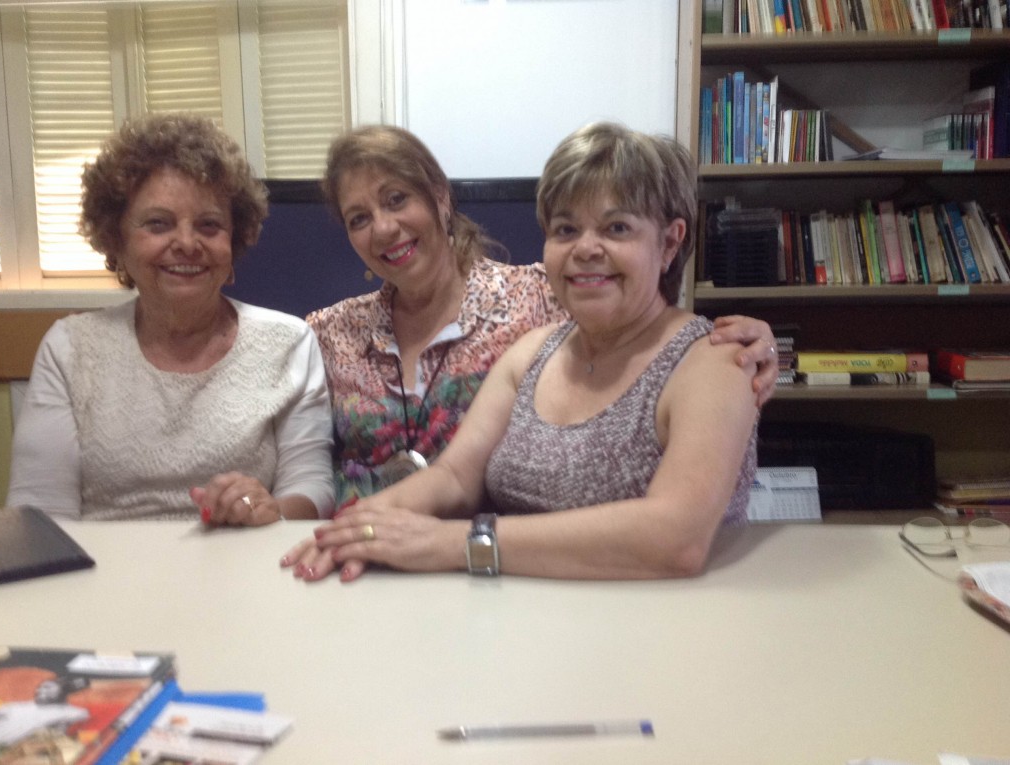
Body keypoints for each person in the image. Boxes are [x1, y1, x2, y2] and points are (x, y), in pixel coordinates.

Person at [282, 122, 759, 581]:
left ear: (670, 242)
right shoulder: (533, 352)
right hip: (513, 624)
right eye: (566, 230)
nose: (586, 249)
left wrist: (453, 543)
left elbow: (675, 538)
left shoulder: (713, 359)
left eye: (616, 228)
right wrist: (354, 531)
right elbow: (453, 477)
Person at [6, 113, 334, 524]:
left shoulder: (289, 343)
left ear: (234, 240)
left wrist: (269, 511)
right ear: (117, 240)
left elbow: (314, 488)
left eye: (209, 225)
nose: (186, 243)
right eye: (158, 224)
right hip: (102, 580)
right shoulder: (70, 348)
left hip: (245, 571)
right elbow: (38, 514)